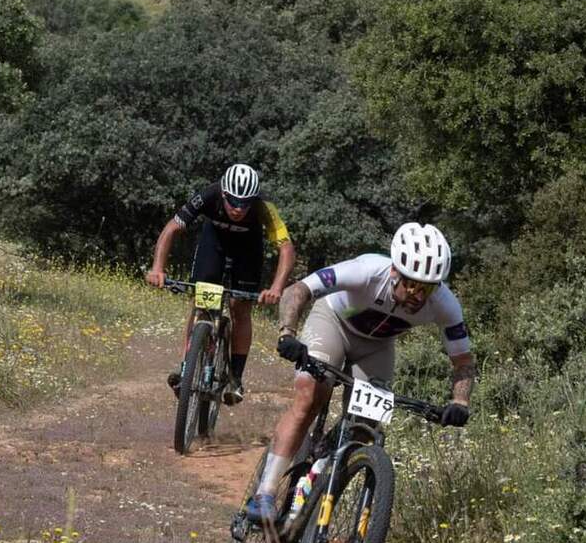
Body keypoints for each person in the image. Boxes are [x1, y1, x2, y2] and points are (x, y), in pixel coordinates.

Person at [246, 221, 473, 522]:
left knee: (368, 426)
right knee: (310, 395)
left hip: (377, 346)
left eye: (428, 287)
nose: (419, 295)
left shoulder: (446, 305)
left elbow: (464, 362)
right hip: (333, 323)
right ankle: (265, 492)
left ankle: (319, 480)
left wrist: (460, 402)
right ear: (395, 272)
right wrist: (287, 333)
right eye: (413, 284)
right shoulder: (366, 270)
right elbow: (297, 290)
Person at [145, 163, 296, 404]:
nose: (239, 208)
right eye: (233, 201)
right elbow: (171, 229)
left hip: (248, 251)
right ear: (224, 193)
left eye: (245, 203)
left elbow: (286, 248)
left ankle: (235, 378)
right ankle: (188, 366)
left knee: (239, 307)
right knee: (202, 303)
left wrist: (277, 287)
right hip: (213, 244)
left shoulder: (264, 208)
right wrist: (157, 268)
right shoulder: (209, 194)